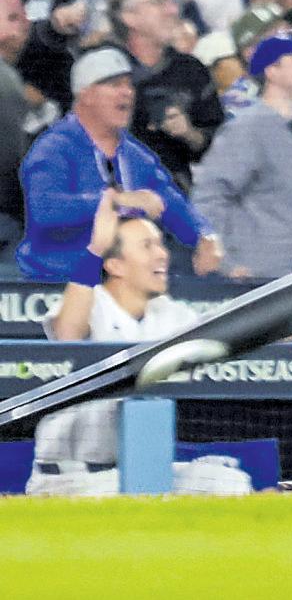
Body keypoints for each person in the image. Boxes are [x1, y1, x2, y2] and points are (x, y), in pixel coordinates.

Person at [29, 194, 253, 497]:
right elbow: (69, 332)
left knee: (228, 483)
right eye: (147, 246)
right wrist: (95, 249)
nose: (162, 254)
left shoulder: (169, 312)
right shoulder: (90, 303)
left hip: (137, 470)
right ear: (116, 265)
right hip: (71, 479)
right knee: (144, 496)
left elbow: (227, 331)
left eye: (161, 244)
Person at [17, 47, 214, 279]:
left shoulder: (136, 156)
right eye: (114, 85)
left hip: (119, 284)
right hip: (55, 284)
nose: (127, 93)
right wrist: (114, 201)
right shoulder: (54, 148)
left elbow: (170, 202)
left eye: (128, 85)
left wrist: (205, 236)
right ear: (86, 94)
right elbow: (46, 210)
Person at [193, 32, 292, 277]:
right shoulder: (247, 127)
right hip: (263, 276)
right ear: (271, 71)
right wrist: (227, 262)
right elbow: (208, 197)